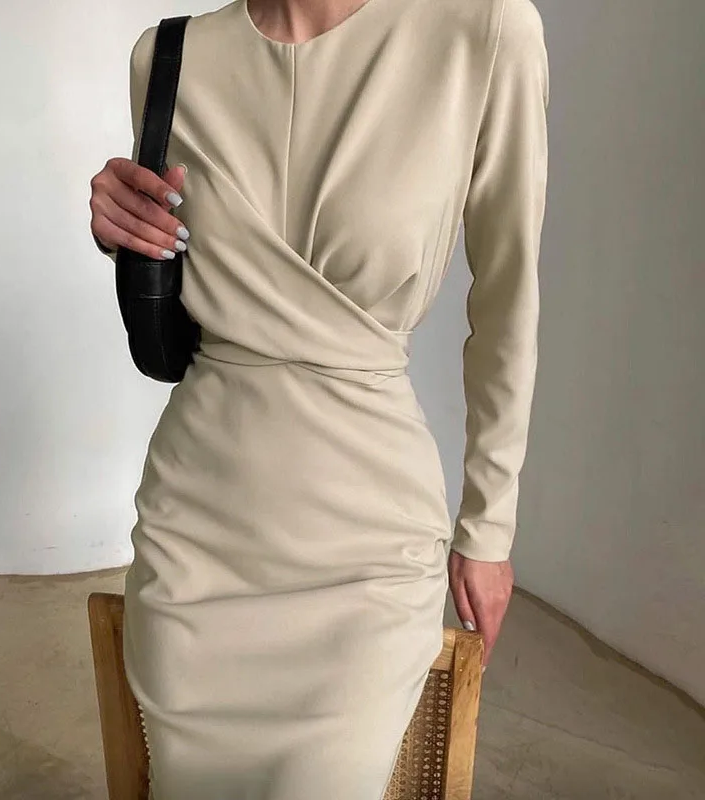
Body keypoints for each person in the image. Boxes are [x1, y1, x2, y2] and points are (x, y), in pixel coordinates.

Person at [89, 0, 548, 797]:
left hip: (367, 548)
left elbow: (508, 300)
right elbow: (188, 284)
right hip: (198, 534)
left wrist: (490, 525)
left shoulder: (484, 30)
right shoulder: (165, 57)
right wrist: (123, 233)